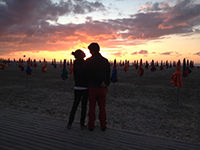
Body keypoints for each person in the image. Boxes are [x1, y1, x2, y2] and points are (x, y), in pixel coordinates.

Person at [86, 42, 111, 131]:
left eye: (90, 50)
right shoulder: (105, 60)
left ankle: (91, 125)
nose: (89, 52)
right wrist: (106, 83)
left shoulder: (88, 61)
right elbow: (108, 74)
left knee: (92, 107)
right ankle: (103, 125)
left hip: (93, 87)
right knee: (102, 108)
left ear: (92, 51)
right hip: (103, 88)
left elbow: (88, 75)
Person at [67, 49, 88, 130]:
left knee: (75, 105)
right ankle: (82, 124)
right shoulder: (85, 63)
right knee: (83, 106)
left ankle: (70, 123)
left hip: (77, 86)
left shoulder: (75, 63)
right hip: (85, 87)